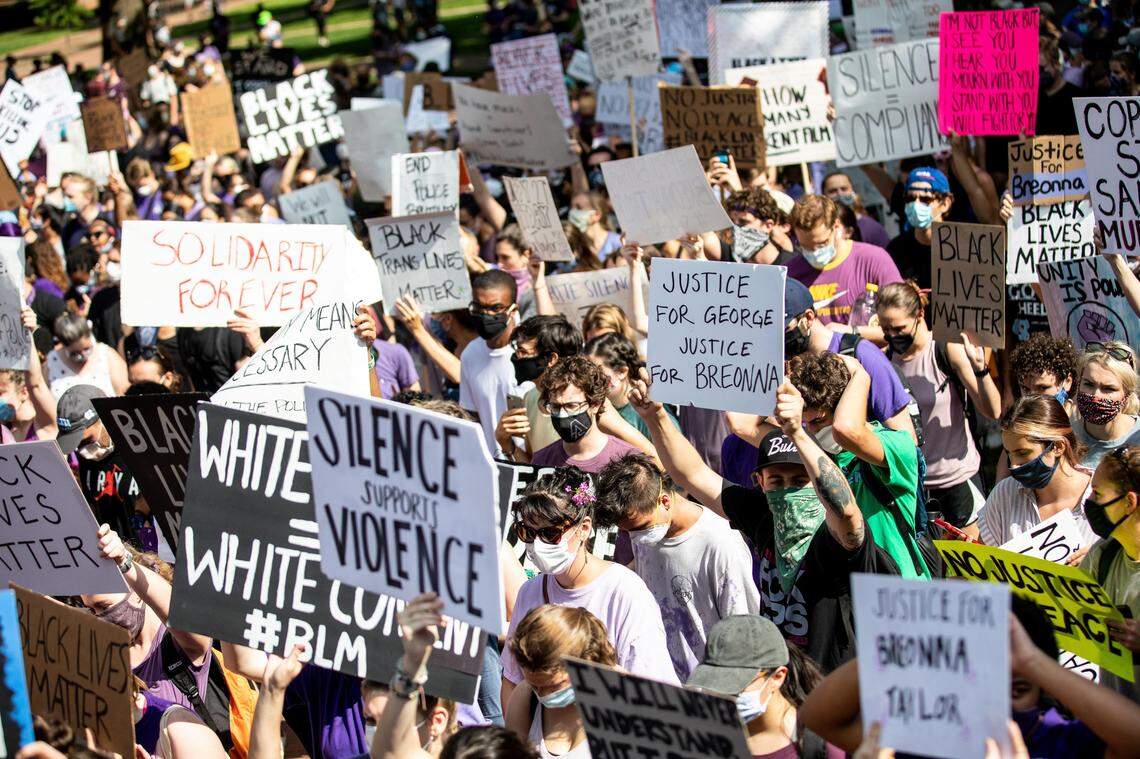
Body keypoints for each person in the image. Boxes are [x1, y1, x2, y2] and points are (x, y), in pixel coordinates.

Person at [628, 372, 888, 671]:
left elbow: (846, 512)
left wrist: (798, 433)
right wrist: (655, 416)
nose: (788, 490)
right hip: (782, 682)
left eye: (800, 480)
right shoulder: (763, 516)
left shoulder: (835, 538)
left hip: (835, 685)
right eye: (777, 480)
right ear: (759, 482)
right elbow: (694, 475)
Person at [800, 597, 1140, 756]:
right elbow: (819, 715)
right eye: (982, 688)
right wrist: (905, 645)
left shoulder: (1059, 740)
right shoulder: (927, 741)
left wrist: (1034, 661)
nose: (999, 709)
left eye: (1016, 689)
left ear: (1045, 688)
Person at [501, 467, 679, 714]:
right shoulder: (530, 592)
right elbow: (512, 679)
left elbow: (653, 690)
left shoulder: (625, 592)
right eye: (528, 533)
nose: (537, 544)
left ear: (584, 528)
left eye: (550, 534)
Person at [594, 453, 761, 680]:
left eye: (640, 527)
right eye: (628, 531)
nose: (636, 537)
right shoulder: (644, 527)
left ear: (664, 501)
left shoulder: (721, 544)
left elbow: (742, 633)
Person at [788, 352, 930, 579]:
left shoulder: (898, 445)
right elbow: (742, 425)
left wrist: (861, 374)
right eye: (807, 424)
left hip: (903, 591)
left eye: (818, 421)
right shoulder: (820, 457)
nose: (812, 432)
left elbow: (846, 430)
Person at [876, 281, 1001, 527]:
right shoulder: (884, 362)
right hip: (913, 486)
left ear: (920, 315)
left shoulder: (943, 350)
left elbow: (992, 410)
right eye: (885, 329)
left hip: (957, 482)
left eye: (899, 328)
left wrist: (980, 370)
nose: (892, 336)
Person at [686, 615, 844, 758]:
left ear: (777, 677)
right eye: (713, 684)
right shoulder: (704, 737)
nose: (722, 696)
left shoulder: (825, 743)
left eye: (735, 686)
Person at [783, 279, 917, 441]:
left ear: (808, 318)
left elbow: (906, 442)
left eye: (784, 329)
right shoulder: (784, 366)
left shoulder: (862, 355)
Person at [976, 395, 1095, 547]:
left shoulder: (1102, 495)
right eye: (1009, 453)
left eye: (1023, 453)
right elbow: (983, 562)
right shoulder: (1005, 493)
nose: (1014, 465)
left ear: (1058, 447)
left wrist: (1095, 559)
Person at [504, 604, 615, 758]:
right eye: (535, 685)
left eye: (553, 686)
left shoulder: (625, 700)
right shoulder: (525, 696)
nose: (542, 695)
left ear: (585, 662)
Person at [1079, 446, 1140, 701]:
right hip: (1116, 724)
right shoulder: (1102, 556)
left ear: (1129, 502)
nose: (1088, 502)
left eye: (1097, 493)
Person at [784, 194, 901, 326]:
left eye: (822, 243)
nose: (814, 252)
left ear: (836, 226)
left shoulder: (874, 259)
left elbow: (901, 322)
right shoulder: (790, 274)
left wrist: (850, 334)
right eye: (805, 247)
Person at [529, 356, 642, 471]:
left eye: (571, 406)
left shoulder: (626, 461)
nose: (562, 414)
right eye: (555, 407)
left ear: (595, 405)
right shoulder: (541, 461)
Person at [496, 314, 582, 458]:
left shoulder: (584, 402)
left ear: (551, 359)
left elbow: (631, 443)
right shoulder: (531, 398)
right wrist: (506, 442)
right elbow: (534, 465)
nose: (517, 357)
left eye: (523, 351)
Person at [460, 269, 519, 452]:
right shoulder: (470, 354)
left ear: (512, 310)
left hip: (531, 465)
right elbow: (471, 417)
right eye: (479, 308)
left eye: (495, 308)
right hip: (493, 466)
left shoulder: (530, 354)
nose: (486, 315)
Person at [582, 332, 678, 438]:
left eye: (597, 373)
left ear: (622, 372)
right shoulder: (596, 409)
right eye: (585, 372)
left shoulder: (647, 408)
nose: (588, 380)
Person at [1070, 341, 1140, 469]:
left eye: (1108, 388)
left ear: (1127, 394)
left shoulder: (1137, 438)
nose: (1096, 396)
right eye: (1089, 384)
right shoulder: (1065, 432)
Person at [884, 167, 955, 290]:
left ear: (944, 204)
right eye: (910, 199)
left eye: (925, 199)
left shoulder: (963, 248)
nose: (916, 205)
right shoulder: (896, 249)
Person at [46, 313, 128, 397]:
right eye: (75, 353)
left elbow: (124, 394)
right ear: (63, 345)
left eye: (87, 349)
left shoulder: (107, 356)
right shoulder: (51, 362)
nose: (83, 355)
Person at [724, 187, 796, 265]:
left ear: (768, 225)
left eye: (743, 222)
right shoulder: (732, 263)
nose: (735, 228)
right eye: (731, 222)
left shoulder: (792, 267)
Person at [820, 171, 890, 249]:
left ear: (853, 191)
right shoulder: (818, 228)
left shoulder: (872, 228)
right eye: (833, 191)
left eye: (844, 189)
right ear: (823, 196)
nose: (839, 194)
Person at [1009, 333, 1078, 403]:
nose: (1032, 399)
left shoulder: (1079, 414)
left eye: (1043, 388)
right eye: (1026, 389)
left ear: (1067, 382)